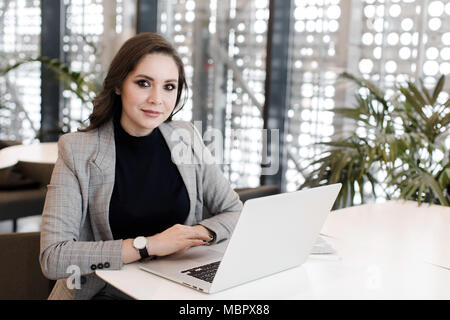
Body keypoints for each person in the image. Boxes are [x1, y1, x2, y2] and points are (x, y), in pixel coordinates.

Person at [39, 32, 243, 300]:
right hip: (105, 292)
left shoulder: (186, 136)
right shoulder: (77, 150)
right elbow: (54, 257)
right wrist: (149, 246)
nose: (157, 99)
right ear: (118, 85)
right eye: (144, 83)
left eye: (169, 86)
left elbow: (234, 211)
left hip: (174, 286)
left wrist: (195, 233)